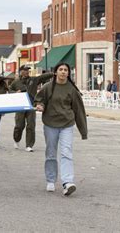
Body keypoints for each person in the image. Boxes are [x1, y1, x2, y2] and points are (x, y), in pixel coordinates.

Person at [34, 62, 88, 196]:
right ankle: (51, 180)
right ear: (56, 72)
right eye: (60, 69)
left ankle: (67, 182)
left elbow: (79, 111)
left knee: (66, 152)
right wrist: (40, 105)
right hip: (50, 124)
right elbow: (38, 99)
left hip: (67, 125)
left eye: (65, 70)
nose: (63, 72)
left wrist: (83, 131)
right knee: (51, 153)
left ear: (68, 73)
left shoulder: (72, 90)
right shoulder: (48, 87)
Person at [10, 66, 53, 152]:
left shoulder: (33, 80)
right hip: (20, 106)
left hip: (31, 106)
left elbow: (42, 77)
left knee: (31, 125)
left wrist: (53, 73)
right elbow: (9, 90)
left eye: (28, 70)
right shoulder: (15, 82)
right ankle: (16, 139)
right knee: (19, 125)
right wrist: (15, 92)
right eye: (25, 70)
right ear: (20, 71)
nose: (27, 72)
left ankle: (29, 145)